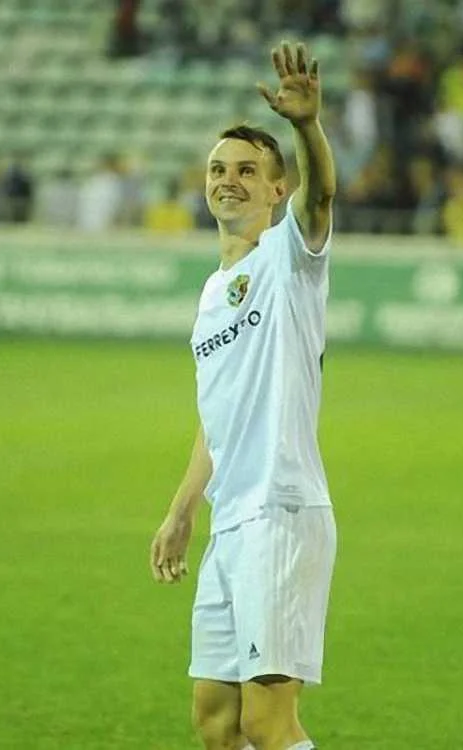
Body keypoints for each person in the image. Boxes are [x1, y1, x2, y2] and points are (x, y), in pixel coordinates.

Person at [149, 41, 336, 750]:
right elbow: (216, 420)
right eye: (218, 170)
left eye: (247, 171)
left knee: (267, 722)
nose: (228, 181)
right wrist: (182, 510)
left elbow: (323, 196)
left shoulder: (288, 259)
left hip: (280, 511)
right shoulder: (210, 295)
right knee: (217, 722)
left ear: (276, 190)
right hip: (231, 523)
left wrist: (307, 127)